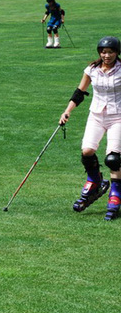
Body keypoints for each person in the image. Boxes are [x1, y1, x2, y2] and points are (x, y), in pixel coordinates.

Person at [59, 36, 121, 221]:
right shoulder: (92, 70)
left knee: (113, 158)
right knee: (87, 151)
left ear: (117, 52)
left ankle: (115, 195)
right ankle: (95, 181)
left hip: (118, 116)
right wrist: (67, 111)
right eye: (103, 52)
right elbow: (80, 92)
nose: (106, 55)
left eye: (110, 52)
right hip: (96, 115)